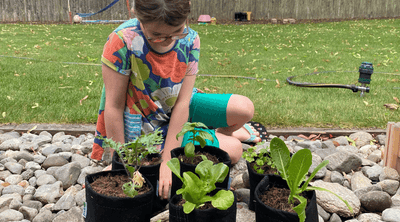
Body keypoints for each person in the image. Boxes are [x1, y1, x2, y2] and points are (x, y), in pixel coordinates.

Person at [91, 0, 261, 200]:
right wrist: (121, 163)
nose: (167, 40)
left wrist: (167, 161)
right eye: (156, 35)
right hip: (145, 121)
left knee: (244, 108)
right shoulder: (122, 41)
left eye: (176, 32)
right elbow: (113, 106)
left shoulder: (190, 39)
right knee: (233, 150)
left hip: (179, 104)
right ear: (137, 15)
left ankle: (215, 132)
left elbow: (182, 103)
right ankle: (212, 133)